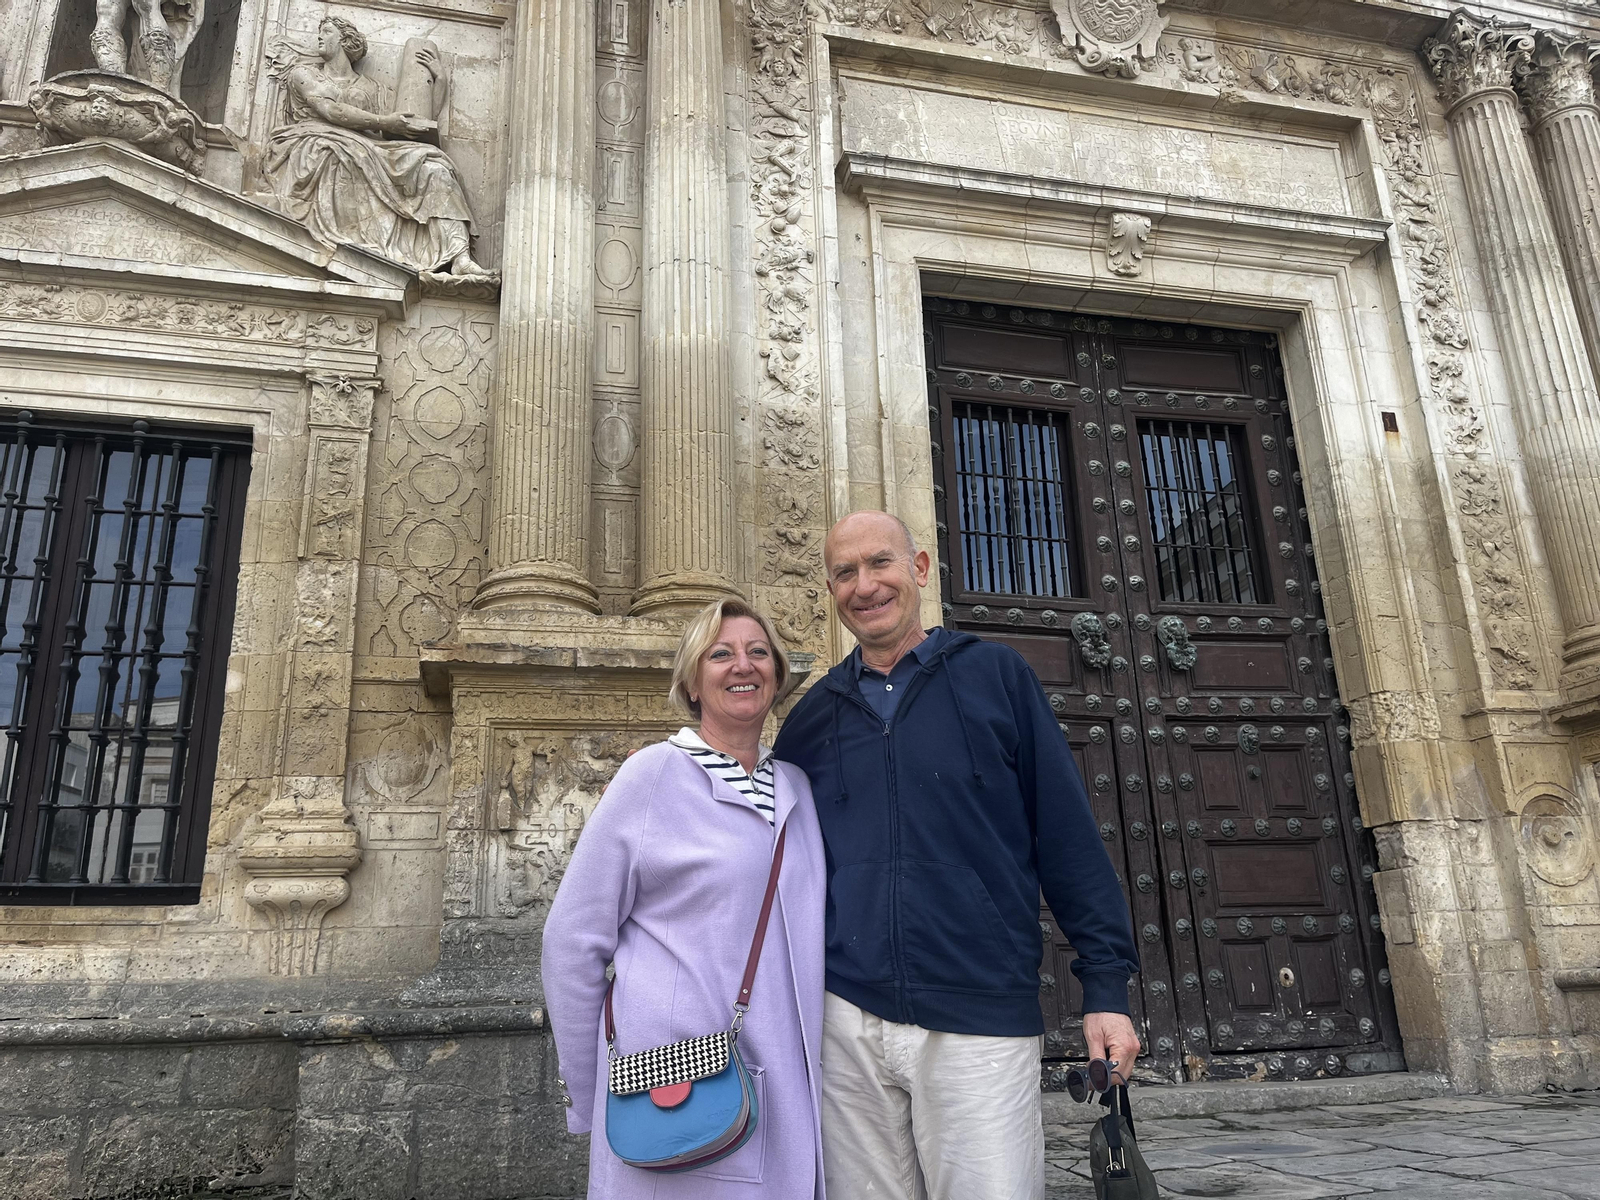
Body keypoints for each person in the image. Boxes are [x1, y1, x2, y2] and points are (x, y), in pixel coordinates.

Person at [773, 510, 1141, 1200]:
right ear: (831, 589)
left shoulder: (996, 676)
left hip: (978, 1014)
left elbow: (1064, 835)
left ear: (919, 569)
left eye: (880, 563)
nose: (865, 585)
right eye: (845, 572)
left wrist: (1107, 991)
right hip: (847, 1022)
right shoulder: (811, 718)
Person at [542, 598, 826, 1198]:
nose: (741, 665)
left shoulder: (796, 786)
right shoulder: (652, 777)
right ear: (692, 681)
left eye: (757, 652)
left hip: (787, 1083)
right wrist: (592, 1095)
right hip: (677, 1088)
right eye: (719, 654)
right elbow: (572, 941)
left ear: (776, 673)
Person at [262, 17, 495, 278]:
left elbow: (413, 121)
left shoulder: (372, 88)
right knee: (336, 152)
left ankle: (458, 256)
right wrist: (386, 121)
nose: (319, 37)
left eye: (327, 32)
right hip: (317, 139)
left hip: (371, 147)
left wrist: (438, 81)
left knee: (436, 167)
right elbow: (331, 110)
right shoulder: (304, 74)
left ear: (345, 41)